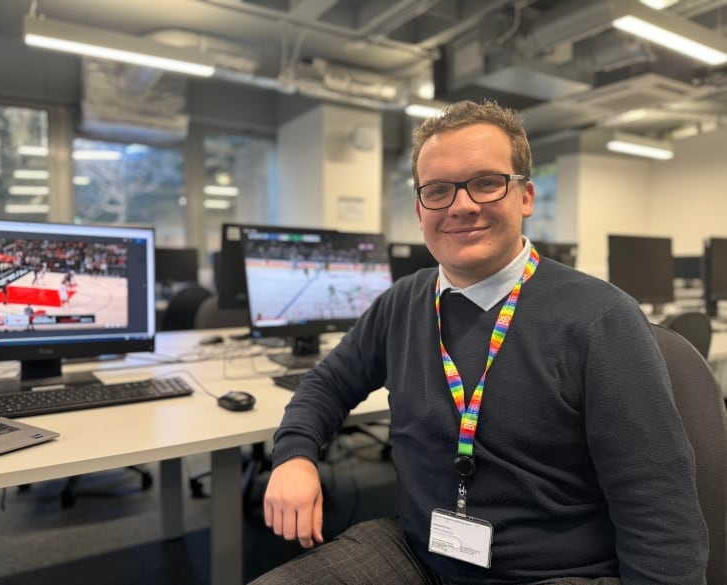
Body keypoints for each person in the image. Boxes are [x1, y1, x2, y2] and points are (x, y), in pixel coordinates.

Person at [250, 99, 708, 585]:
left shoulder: (601, 320)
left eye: (487, 183)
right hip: (421, 554)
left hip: (552, 573)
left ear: (525, 196)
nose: (462, 206)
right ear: (420, 208)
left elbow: (660, 510)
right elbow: (327, 383)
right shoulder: (404, 302)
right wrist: (295, 455)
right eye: (439, 191)